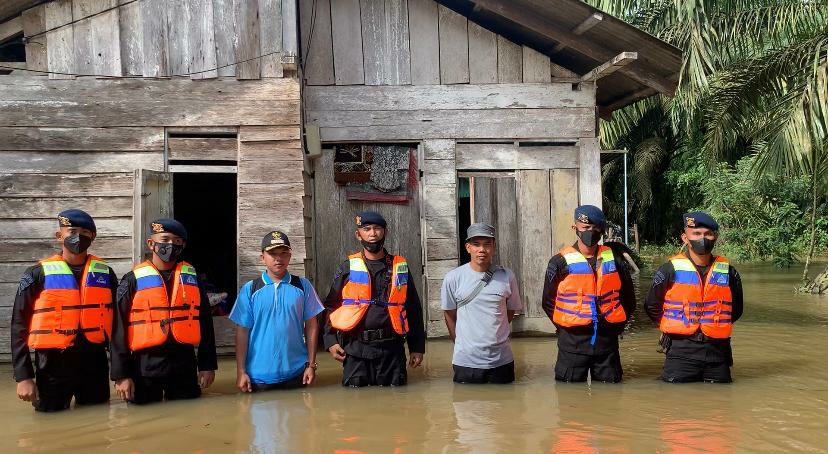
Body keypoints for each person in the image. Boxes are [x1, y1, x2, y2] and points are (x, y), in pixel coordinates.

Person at [10, 209, 117, 412]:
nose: (78, 237)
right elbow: (19, 325)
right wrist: (23, 376)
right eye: (72, 231)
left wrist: (121, 371)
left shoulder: (106, 274)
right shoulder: (36, 274)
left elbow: (117, 323)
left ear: (93, 237)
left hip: (94, 363)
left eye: (85, 233)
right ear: (60, 236)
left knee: (96, 423)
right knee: (48, 426)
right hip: (52, 364)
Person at [110, 218, 217, 404]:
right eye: (165, 239)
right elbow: (119, 328)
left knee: (186, 421)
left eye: (176, 241)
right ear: (151, 243)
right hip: (144, 367)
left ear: (182, 245)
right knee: (143, 422)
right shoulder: (132, 280)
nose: (170, 245)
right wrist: (121, 375)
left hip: (184, 365)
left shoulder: (192, 278)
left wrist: (207, 365)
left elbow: (205, 323)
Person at [323, 211, 426, 387]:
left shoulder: (399, 267)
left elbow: (413, 309)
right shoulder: (347, 268)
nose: (372, 233)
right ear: (358, 234)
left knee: (396, 404)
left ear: (385, 232)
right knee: (354, 406)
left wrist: (416, 347)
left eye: (378, 228)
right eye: (367, 229)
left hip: (392, 351)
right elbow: (331, 306)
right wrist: (330, 341)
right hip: (355, 350)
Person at [645, 211, 744, 383]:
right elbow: (652, 306)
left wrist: (714, 323)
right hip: (680, 352)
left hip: (717, 353)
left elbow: (736, 310)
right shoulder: (669, 270)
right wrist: (672, 324)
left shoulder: (729, 272)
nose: (702, 238)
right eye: (696, 233)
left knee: (722, 405)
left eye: (708, 234)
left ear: (715, 237)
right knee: (675, 405)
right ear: (685, 238)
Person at [541, 205, 637, 383]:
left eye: (595, 228)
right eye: (585, 227)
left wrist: (617, 326)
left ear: (601, 230)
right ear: (575, 228)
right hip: (572, 344)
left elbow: (629, 299)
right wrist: (565, 328)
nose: (590, 232)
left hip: (607, 343)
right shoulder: (559, 262)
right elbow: (548, 302)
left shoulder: (615, 260)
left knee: (610, 400)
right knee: (570, 401)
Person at [231, 230, 324, 392]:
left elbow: (312, 326)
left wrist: (311, 365)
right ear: (262, 257)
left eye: (283, 253)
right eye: (272, 253)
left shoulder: (303, 286)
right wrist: (241, 372)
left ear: (289, 256)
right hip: (258, 377)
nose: (278, 258)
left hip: (296, 373)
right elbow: (242, 331)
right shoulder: (250, 289)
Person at [441, 223, 522, 384]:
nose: (482, 250)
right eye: (476, 244)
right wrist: (461, 343)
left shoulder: (507, 276)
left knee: (507, 406)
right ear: (468, 247)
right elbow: (449, 314)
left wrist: (494, 333)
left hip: (501, 361)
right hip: (466, 362)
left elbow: (510, 312)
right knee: (466, 407)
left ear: (494, 247)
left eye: (487, 244)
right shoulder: (453, 278)